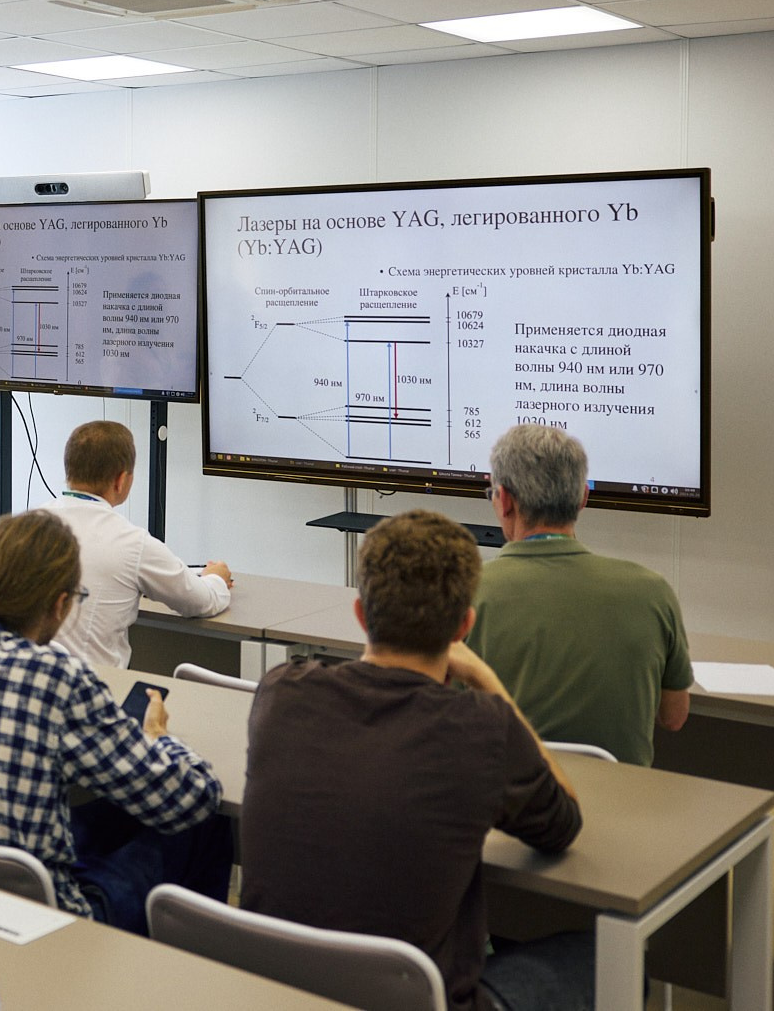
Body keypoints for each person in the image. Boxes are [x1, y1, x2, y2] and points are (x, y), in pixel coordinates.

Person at [240, 509, 586, 1011]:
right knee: (597, 956)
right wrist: (490, 683)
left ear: (360, 614)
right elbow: (563, 825)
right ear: (464, 626)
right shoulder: (481, 725)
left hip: (278, 993)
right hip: (424, 1001)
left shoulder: (280, 693)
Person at [0, 509, 231, 935]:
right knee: (206, 822)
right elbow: (192, 797)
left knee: (105, 810)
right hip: (43, 919)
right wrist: (157, 738)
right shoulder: (57, 676)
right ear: (61, 603)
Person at [467, 423, 693, 766]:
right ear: (583, 498)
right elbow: (674, 716)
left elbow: (446, 713)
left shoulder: (465, 591)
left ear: (506, 501)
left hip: (505, 808)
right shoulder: (651, 591)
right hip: (621, 806)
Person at [45, 420, 231, 668]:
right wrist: (216, 578)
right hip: (95, 691)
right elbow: (200, 602)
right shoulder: (132, 543)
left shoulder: (25, 527)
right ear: (121, 480)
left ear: (69, 470)